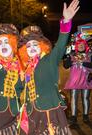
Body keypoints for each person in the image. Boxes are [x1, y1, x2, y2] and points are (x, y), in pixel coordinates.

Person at [17, 0, 79, 134]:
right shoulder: (25, 67)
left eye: (35, 44)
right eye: (28, 46)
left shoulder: (50, 59)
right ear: (24, 50)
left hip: (49, 113)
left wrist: (66, 21)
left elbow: (61, 44)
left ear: (42, 46)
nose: (32, 48)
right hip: (31, 113)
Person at [63, 33, 92, 125]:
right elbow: (65, 66)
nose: (81, 46)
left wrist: (83, 63)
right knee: (73, 98)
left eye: (82, 45)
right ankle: (73, 117)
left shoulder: (90, 55)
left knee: (85, 98)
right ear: (77, 46)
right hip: (74, 81)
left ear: (85, 46)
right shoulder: (72, 54)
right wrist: (70, 60)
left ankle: (85, 116)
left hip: (86, 80)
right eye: (79, 45)